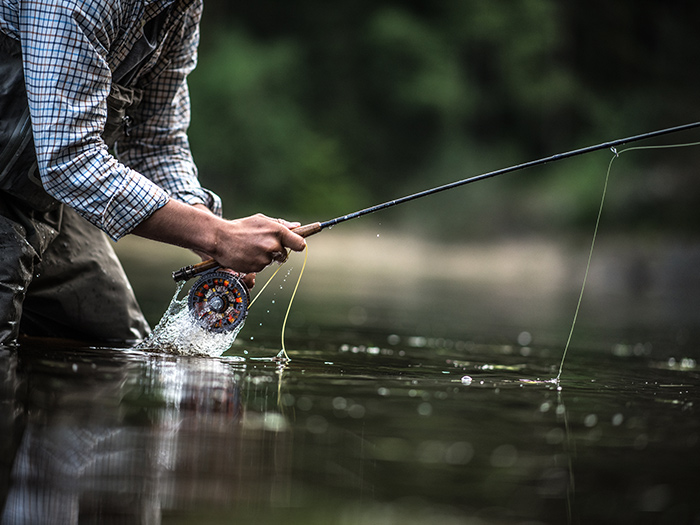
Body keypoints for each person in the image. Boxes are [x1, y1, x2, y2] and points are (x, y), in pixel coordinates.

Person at [0, 0, 306, 344]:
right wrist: (216, 236)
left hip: (47, 194)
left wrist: (211, 237)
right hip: (32, 186)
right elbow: (68, 160)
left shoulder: (182, 9)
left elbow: (155, 141)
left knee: (119, 344)